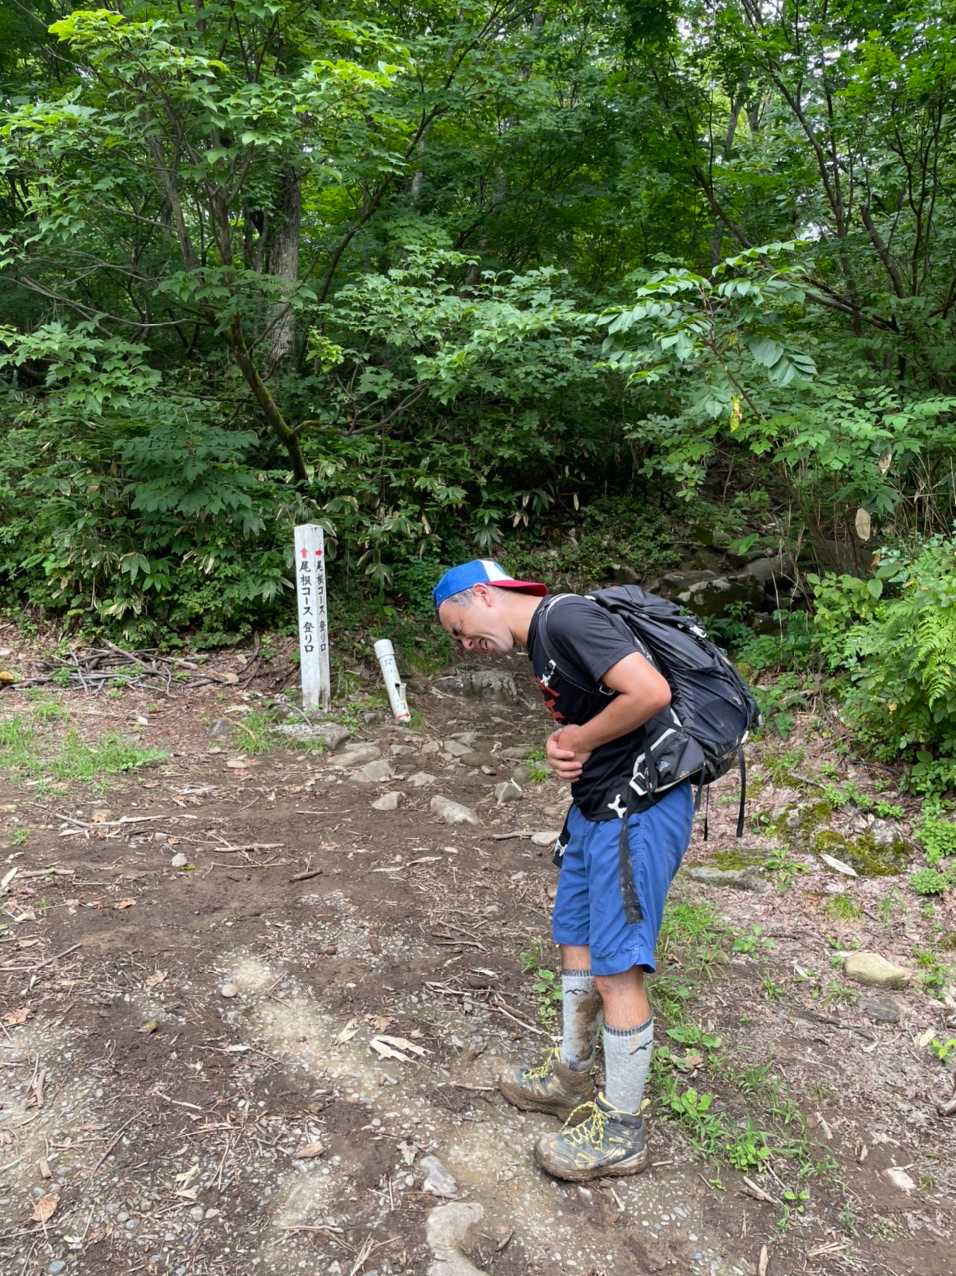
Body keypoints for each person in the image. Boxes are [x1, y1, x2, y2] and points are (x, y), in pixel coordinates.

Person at [433, 559, 694, 1182]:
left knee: (616, 967)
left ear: (482, 594)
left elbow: (650, 692)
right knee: (575, 938)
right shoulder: (546, 641)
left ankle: (623, 1130)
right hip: (598, 808)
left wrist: (577, 740)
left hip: (639, 808)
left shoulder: (567, 617)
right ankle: (571, 1076)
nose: (464, 645)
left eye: (458, 629)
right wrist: (574, 744)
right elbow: (608, 715)